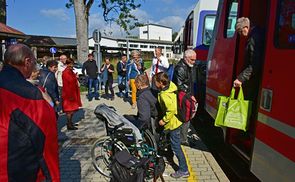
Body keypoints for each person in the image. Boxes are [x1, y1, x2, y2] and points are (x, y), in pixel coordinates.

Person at [0, 44, 60, 181]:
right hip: (17, 171)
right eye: (34, 62)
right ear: (27, 62)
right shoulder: (29, 95)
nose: (35, 67)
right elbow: (46, 143)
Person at [233, 17, 265, 149]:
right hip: (253, 79)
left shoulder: (253, 38)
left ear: (245, 28)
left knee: (248, 107)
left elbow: (254, 64)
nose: (241, 35)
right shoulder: (258, 33)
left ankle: (246, 134)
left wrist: (240, 78)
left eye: (240, 32)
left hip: (252, 81)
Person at [154, 72, 189, 178]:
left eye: (155, 82)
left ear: (161, 83)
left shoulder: (165, 95)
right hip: (177, 121)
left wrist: (164, 120)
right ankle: (170, 158)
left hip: (173, 123)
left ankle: (184, 169)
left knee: (176, 146)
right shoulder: (171, 86)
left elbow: (171, 109)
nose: (154, 84)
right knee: (172, 143)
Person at [172, 49, 197, 146]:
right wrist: (190, 96)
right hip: (183, 97)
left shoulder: (187, 66)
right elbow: (179, 85)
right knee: (185, 117)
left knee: (186, 117)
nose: (194, 62)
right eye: (192, 60)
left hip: (186, 96)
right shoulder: (181, 68)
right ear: (186, 58)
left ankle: (183, 137)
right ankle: (183, 139)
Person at [62, 58, 82, 130]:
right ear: (67, 64)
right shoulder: (66, 72)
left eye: (72, 63)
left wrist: (75, 77)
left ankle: (70, 123)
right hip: (68, 94)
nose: (71, 65)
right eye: (70, 64)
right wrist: (75, 77)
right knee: (69, 110)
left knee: (72, 109)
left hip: (72, 92)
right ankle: (69, 124)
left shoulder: (70, 71)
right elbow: (70, 81)